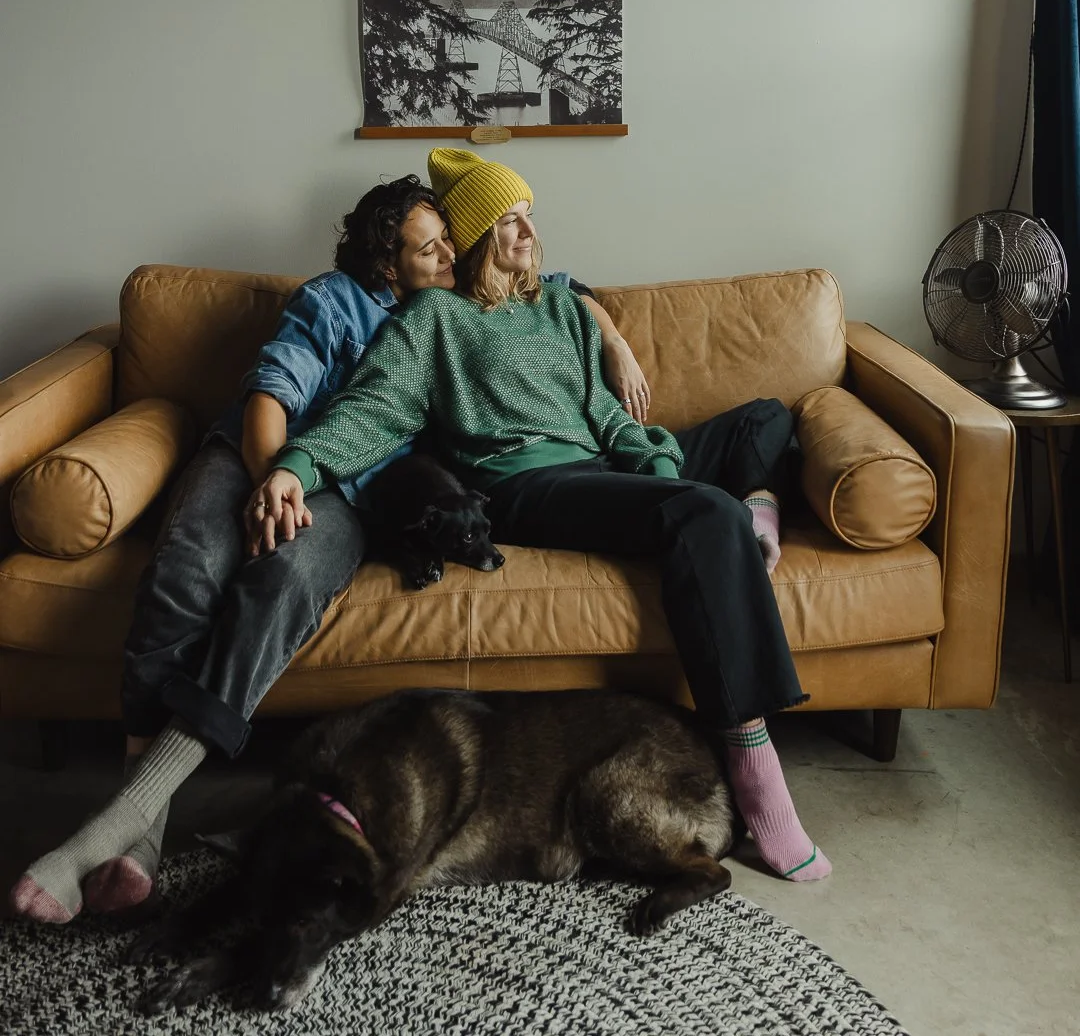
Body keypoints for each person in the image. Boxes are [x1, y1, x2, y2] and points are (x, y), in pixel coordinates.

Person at [11, 175, 648, 924]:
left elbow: (556, 281)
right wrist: (270, 482)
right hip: (262, 455)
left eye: (450, 240)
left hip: (350, 490)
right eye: (429, 247)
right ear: (386, 263)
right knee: (187, 576)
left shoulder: (452, 313)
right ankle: (136, 835)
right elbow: (274, 394)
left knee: (282, 584)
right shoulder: (336, 299)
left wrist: (611, 335)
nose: (449, 255)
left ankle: (120, 829)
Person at [250, 149, 830, 882]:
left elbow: (607, 416)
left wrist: (651, 461)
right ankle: (753, 765)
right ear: (473, 239)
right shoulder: (434, 316)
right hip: (523, 484)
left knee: (742, 452)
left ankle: (753, 514)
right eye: (508, 221)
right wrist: (294, 467)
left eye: (529, 216)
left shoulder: (558, 308)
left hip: (598, 466)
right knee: (705, 516)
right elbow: (374, 407)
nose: (528, 232)